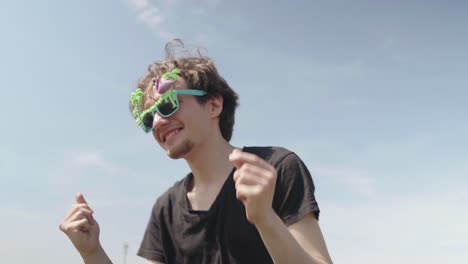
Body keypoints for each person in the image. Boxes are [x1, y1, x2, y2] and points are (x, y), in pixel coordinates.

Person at [59, 39, 333, 264]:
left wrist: (265, 219)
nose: (157, 122)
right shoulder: (166, 208)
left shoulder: (275, 167)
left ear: (213, 105)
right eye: (147, 118)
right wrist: (92, 252)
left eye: (167, 105)